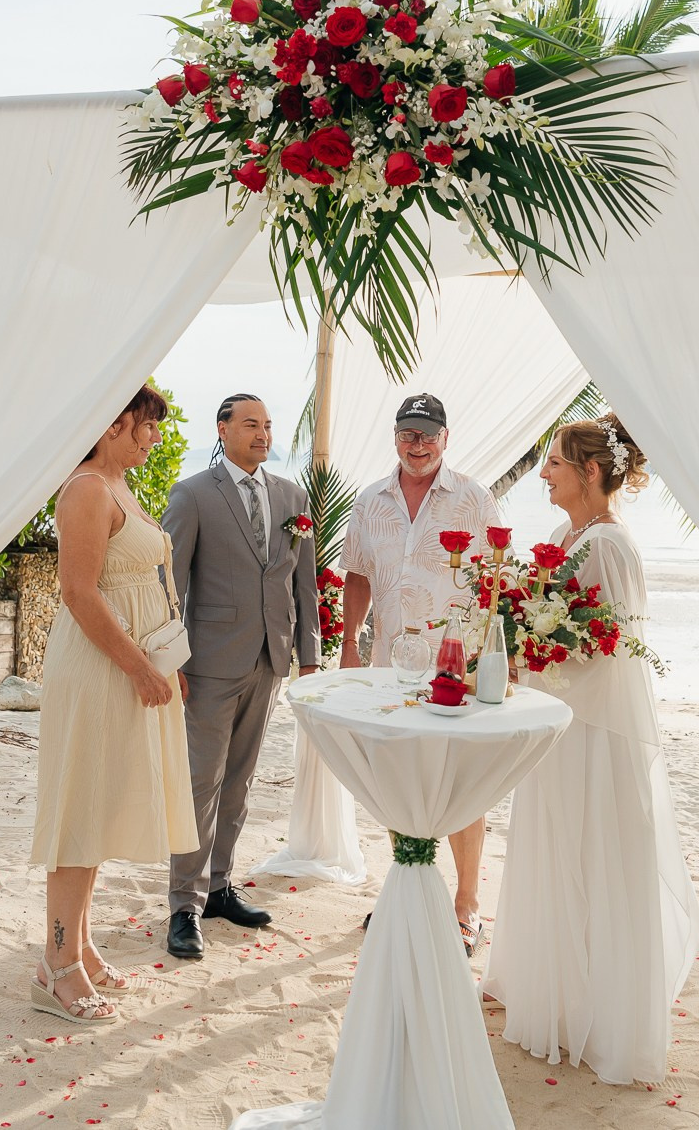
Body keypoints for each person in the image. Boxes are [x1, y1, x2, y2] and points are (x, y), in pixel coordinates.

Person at [482, 413, 699, 1084]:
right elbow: (559, 630)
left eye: (554, 463)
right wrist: (519, 641)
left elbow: (607, 652)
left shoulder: (607, 546)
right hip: (558, 724)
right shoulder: (562, 538)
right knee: (554, 850)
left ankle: (596, 1012)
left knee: (588, 856)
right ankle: (550, 991)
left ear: (591, 471)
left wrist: (533, 652)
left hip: (591, 734)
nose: (544, 474)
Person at [28, 385, 197, 1024]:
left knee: (97, 806)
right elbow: (77, 592)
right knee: (80, 807)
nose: (155, 437)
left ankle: (78, 946)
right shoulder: (85, 490)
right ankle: (56, 964)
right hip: (99, 670)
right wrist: (138, 668)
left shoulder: (118, 485)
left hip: (128, 664)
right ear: (113, 425)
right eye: (147, 426)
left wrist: (166, 663)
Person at [338, 392, 502, 953]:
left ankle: (466, 903)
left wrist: (491, 659)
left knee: (462, 783)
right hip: (390, 666)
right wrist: (349, 644)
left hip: (456, 665)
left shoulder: (475, 498)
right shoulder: (369, 501)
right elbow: (357, 575)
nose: (418, 444)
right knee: (400, 781)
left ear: (446, 438)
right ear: (395, 437)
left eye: (428, 434)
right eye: (409, 434)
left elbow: (496, 580)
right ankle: (412, 894)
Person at [161, 394, 320, 959]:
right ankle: (184, 904)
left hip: (270, 660)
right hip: (206, 664)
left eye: (268, 425)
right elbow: (169, 582)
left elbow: (304, 583)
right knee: (200, 784)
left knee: (240, 782)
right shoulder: (193, 494)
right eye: (251, 424)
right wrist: (171, 659)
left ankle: (219, 889)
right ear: (222, 429)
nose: (263, 434)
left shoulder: (292, 497)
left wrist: (309, 657)